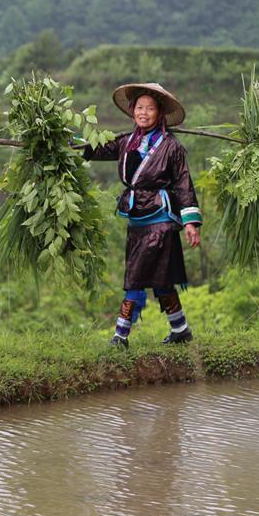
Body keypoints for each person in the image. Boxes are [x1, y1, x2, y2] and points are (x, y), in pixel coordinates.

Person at [84, 83, 202, 348]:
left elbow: (184, 184)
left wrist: (191, 222)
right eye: (140, 108)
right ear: (132, 111)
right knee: (160, 279)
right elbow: (96, 148)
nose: (144, 113)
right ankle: (181, 330)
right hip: (137, 218)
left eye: (150, 108)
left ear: (160, 113)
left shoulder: (171, 147)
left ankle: (120, 336)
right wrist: (64, 144)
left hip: (160, 219)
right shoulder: (127, 141)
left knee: (136, 277)